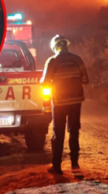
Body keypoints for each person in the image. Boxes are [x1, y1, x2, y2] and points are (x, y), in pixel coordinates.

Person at [40, 35, 89, 175]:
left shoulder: (52, 61)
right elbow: (85, 80)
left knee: (58, 133)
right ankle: (75, 164)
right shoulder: (77, 59)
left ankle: (57, 166)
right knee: (74, 131)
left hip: (59, 102)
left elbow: (44, 83)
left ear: (55, 47)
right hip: (76, 101)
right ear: (67, 46)